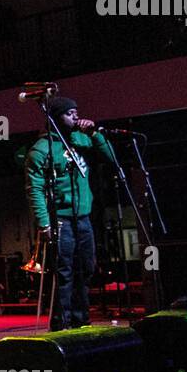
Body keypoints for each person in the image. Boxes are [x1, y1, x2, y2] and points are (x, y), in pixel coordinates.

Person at [24, 95, 114, 330]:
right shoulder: (42, 149)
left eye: (76, 112)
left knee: (86, 269)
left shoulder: (81, 140)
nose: (75, 116)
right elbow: (34, 189)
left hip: (83, 217)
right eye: (69, 113)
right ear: (55, 117)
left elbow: (111, 158)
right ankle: (60, 324)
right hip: (60, 219)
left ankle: (80, 320)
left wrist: (95, 133)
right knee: (64, 272)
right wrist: (44, 224)